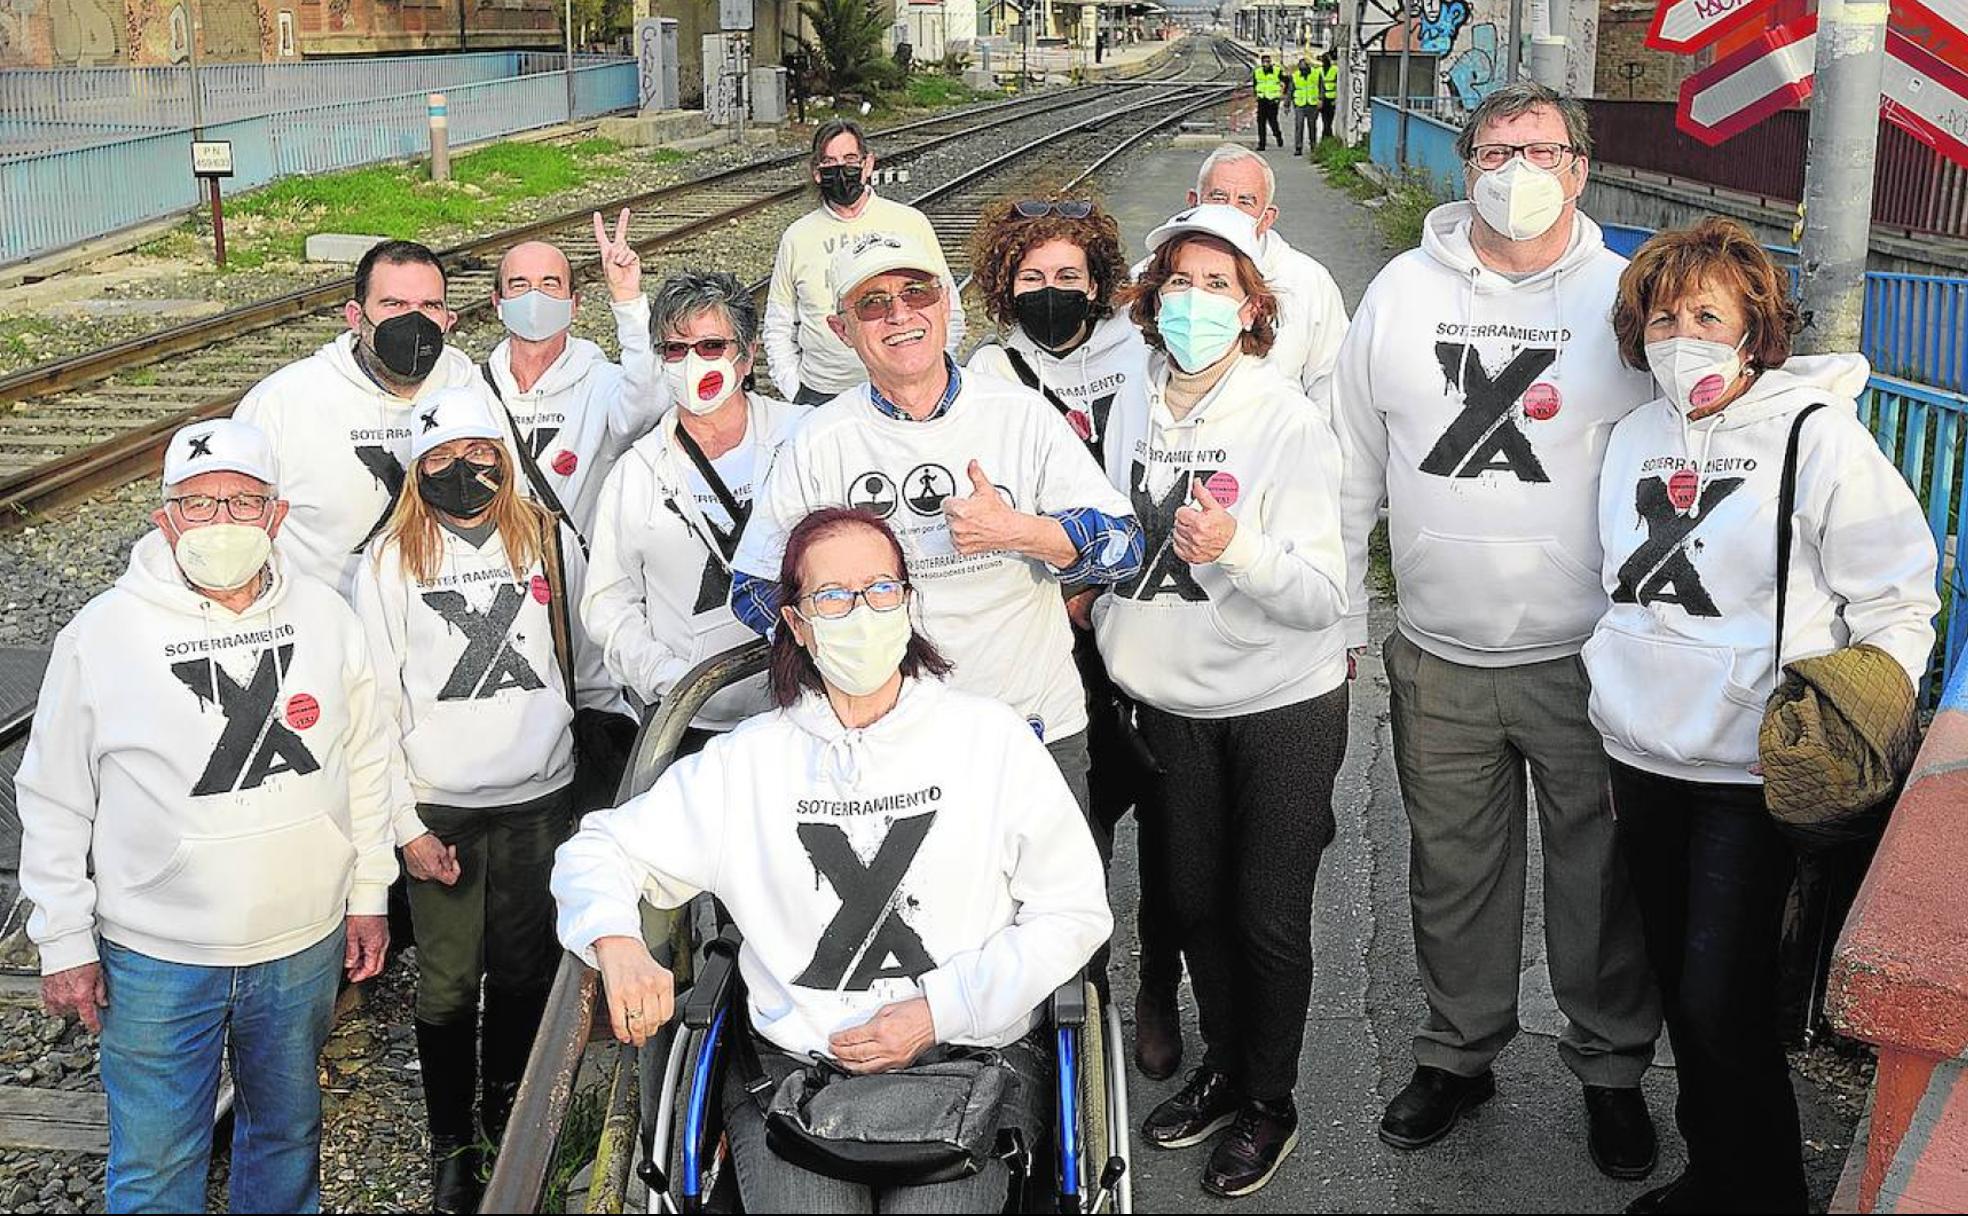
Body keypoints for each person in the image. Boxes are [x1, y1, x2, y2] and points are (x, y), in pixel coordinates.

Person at [552, 507, 1113, 1213]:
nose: (862, 612)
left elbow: (1074, 911)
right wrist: (618, 941)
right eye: (833, 597)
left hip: (968, 1057)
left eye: (880, 589)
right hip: (797, 1073)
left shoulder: (990, 741)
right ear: (796, 623)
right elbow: (600, 848)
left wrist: (939, 1010)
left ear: (906, 603)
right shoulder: (747, 763)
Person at [1330, 81, 1663, 1176]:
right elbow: (1352, 465)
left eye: (1542, 149)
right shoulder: (1400, 291)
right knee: (1453, 870)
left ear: (1580, 169)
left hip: (1585, 654)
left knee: (1599, 879)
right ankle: (1458, 1052)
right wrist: (1344, 610)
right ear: (1467, 163)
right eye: (1495, 148)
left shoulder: (1625, 300)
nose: (1517, 169)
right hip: (1440, 652)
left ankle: (1610, 1069)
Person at [1587, 218, 1938, 1215]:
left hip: (1751, 773)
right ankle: (1718, 1174)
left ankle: (1767, 1191)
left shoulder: (1814, 436)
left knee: (1724, 1000)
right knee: (1679, 989)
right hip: (1643, 758)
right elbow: (1620, 591)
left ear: (1754, 330)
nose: (1683, 336)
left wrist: (1849, 713)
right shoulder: (1633, 437)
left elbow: (1900, 600)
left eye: (1707, 315)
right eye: (1664, 318)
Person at [17, 419, 396, 1214]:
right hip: (157, 956)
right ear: (165, 519)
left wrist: (369, 893)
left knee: (287, 1137)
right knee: (156, 1164)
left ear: (276, 516)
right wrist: (63, 939)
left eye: (242, 502)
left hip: (300, 944)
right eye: (197, 504)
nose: (221, 522)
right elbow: (54, 795)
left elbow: (367, 762)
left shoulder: (328, 619)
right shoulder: (102, 635)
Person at [1094, 206, 1349, 1198]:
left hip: (1280, 705)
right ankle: (1227, 1068)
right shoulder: (1133, 399)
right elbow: (1118, 530)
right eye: (1179, 281)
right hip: (1172, 705)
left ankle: (1270, 1101)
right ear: (1152, 298)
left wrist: (1238, 549)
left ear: (1251, 310)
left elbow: (1321, 596)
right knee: (1194, 904)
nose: (1194, 302)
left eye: (1218, 285)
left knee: (1266, 916)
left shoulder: (1285, 420)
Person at [730, 229, 1144, 815]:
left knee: (1057, 875)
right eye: (872, 303)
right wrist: (847, 635)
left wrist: (1019, 532)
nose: (900, 315)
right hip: (888, 738)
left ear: (946, 304)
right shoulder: (819, 441)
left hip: (1030, 727)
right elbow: (751, 588)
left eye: (916, 293)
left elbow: (1125, 545)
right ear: (841, 330)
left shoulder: (1020, 415)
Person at [352, 388, 611, 1213]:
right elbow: (373, 705)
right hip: (442, 807)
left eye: (477, 453)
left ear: (503, 456)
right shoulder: (390, 560)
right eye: (439, 458)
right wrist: (402, 826)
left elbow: (585, 660)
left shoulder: (545, 537)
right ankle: (450, 1142)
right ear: (415, 470)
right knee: (447, 983)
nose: (461, 470)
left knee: (525, 967)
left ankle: (506, 1108)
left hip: (539, 794)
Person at [961, 196, 1170, 1066]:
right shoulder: (988, 371)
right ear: (1005, 286)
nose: (1051, 292)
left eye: (1068, 276)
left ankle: (1158, 985)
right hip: (1051, 623)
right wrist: (1068, 583)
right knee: (1074, 820)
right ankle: (1079, 990)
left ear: (1099, 283)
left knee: (1166, 814)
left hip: (1152, 604)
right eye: (1031, 277)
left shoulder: (1140, 355)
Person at [584, 270, 805, 739]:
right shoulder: (637, 472)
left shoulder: (803, 439)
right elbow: (608, 603)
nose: (692, 363)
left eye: (711, 346)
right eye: (675, 349)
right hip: (690, 725)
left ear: (747, 355)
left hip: (805, 710)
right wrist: (669, 680)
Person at [236, 239, 493, 600]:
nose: (414, 320)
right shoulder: (280, 404)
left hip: (445, 621)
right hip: (331, 622)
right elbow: (237, 527)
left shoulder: (477, 393)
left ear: (449, 319)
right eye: (394, 304)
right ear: (356, 317)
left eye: (430, 306)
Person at [481, 212, 663, 538]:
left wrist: (627, 298)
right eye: (519, 284)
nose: (534, 296)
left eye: (550, 284)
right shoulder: (474, 387)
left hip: (576, 566)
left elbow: (651, 399)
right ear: (498, 302)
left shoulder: (602, 384)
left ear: (574, 303)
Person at [763, 120, 967, 405]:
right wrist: (793, 388)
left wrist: (929, 373)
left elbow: (948, 307)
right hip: (822, 393)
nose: (840, 171)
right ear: (817, 172)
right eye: (829, 162)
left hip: (900, 391)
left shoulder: (910, 224)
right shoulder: (797, 237)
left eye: (849, 160)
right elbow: (778, 322)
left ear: (867, 164)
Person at [1180, 145, 1350, 398]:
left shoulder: (1308, 281)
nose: (1230, 211)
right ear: (1193, 203)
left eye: (1245, 201)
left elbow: (1331, 382)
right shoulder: (1155, 275)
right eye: (1218, 197)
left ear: (1267, 218)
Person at [1251, 53, 1284, 152]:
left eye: (1268, 62)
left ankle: (1278, 135)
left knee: (1273, 122)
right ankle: (1262, 144)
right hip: (1262, 100)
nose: (1267, 64)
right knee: (1261, 123)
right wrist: (1256, 94)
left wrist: (1281, 95)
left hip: (1273, 101)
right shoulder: (1257, 72)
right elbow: (1255, 84)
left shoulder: (1277, 71)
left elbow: (1285, 82)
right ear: (1262, 63)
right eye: (1265, 62)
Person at [1290, 56, 1319, 156]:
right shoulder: (1295, 76)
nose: (1303, 71)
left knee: (1312, 126)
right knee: (1299, 125)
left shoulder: (1316, 74)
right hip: (1300, 104)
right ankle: (1298, 147)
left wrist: (1321, 99)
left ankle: (1313, 145)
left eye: (1304, 69)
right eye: (1301, 69)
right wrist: (1287, 103)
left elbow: (1321, 87)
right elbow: (1291, 89)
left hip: (1312, 104)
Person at [1318, 50, 1339, 143]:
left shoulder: (1335, 70)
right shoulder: (1319, 70)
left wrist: (1336, 99)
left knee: (1329, 119)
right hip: (1323, 98)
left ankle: (1326, 136)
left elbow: (1338, 85)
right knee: (1324, 119)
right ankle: (1327, 136)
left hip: (1332, 98)